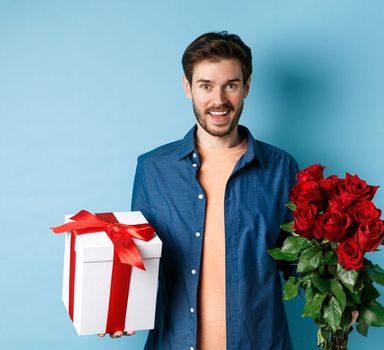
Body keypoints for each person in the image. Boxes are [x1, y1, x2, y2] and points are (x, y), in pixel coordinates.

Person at [108, 31, 300, 349]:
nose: (219, 100)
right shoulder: (153, 169)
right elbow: (137, 257)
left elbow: (297, 261)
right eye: (206, 85)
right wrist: (117, 309)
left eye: (231, 85)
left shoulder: (281, 168)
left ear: (247, 87)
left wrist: (341, 297)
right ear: (188, 87)